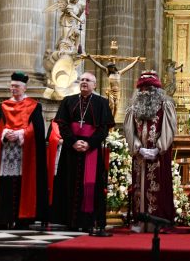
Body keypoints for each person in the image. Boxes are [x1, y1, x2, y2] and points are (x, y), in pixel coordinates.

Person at [0, 72, 47, 230]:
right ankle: (3, 218)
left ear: (24, 88)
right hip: (6, 152)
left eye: (16, 86)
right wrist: (4, 133)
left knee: (23, 182)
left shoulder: (34, 105)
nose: (13, 89)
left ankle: (23, 218)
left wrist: (21, 133)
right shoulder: (3, 106)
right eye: (11, 86)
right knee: (5, 183)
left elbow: (37, 129)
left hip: (25, 154)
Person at [51, 72, 115, 236]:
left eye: (88, 80)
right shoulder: (68, 101)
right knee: (69, 182)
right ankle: (70, 221)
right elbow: (63, 125)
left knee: (90, 186)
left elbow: (103, 129)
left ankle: (88, 221)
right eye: (82, 80)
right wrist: (73, 142)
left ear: (94, 85)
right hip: (71, 150)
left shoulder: (101, 102)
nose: (84, 82)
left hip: (91, 149)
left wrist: (89, 143)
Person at [124, 71, 176, 231]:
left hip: (158, 156)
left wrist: (158, 149)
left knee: (158, 187)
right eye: (143, 88)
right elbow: (129, 129)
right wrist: (138, 147)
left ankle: (157, 222)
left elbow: (169, 129)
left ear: (157, 90)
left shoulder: (165, 106)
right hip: (140, 156)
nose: (146, 91)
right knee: (139, 187)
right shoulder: (133, 108)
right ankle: (140, 221)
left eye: (149, 88)